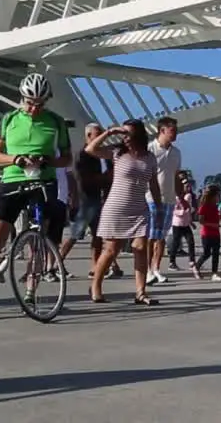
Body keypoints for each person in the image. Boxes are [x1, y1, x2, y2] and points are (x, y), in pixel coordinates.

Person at [0, 74, 71, 322]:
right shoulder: (9, 119)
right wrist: (16, 159)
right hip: (12, 180)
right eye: (31, 102)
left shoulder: (55, 122)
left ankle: (30, 294)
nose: (34, 108)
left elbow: (67, 158)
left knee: (38, 238)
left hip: (43, 180)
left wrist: (48, 161)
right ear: (22, 98)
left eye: (40, 103)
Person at [85, 120, 161, 306]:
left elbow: (153, 185)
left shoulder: (150, 157)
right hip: (116, 208)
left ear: (139, 135)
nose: (126, 138)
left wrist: (158, 207)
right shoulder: (117, 153)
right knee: (111, 250)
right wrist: (110, 132)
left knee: (141, 248)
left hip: (139, 208)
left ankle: (141, 292)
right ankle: (96, 286)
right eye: (124, 134)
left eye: (129, 134)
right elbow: (90, 149)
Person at [60, 123, 122, 278]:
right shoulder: (83, 154)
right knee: (75, 234)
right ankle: (57, 263)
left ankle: (95, 267)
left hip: (100, 199)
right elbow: (82, 178)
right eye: (98, 133)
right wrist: (105, 177)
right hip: (86, 200)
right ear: (89, 136)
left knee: (97, 235)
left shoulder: (104, 155)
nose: (101, 136)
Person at [146, 117, 181, 284]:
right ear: (162, 130)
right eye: (172, 130)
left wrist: (181, 198)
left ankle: (156, 268)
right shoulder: (150, 149)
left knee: (161, 236)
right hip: (151, 198)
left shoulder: (176, 152)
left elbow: (176, 176)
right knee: (150, 236)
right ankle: (146, 270)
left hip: (169, 199)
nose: (176, 134)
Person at [193, 186, 221, 281]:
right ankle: (196, 267)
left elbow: (217, 218)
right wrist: (213, 225)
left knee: (216, 253)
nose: (219, 197)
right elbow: (201, 221)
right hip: (207, 234)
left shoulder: (215, 206)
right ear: (212, 196)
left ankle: (215, 273)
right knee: (206, 253)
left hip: (216, 233)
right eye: (218, 195)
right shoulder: (204, 206)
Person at [169, 175, 197, 272]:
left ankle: (192, 262)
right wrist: (183, 212)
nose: (188, 188)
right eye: (186, 186)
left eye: (189, 186)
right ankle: (172, 262)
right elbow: (174, 211)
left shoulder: (188, 196)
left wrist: (191, 222)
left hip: (186, 224)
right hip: (177, 224)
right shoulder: (176, 197)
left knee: (191, 242)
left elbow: (189, 210)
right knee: (176, 243)